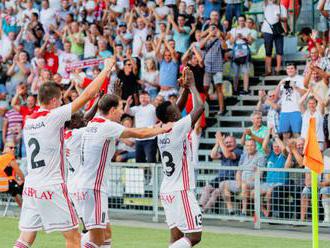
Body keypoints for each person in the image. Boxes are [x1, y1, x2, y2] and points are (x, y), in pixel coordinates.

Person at [13, 58, 117, 248]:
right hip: (52, 186)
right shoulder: (54, 116)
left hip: (31, 186)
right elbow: (87, 95)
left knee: (25, 237)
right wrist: (107, 69)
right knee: (74, 238)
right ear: (53, 101)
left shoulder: (29, 120)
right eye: (60, 99)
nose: (62, 102)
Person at [75, 92, 172, 248]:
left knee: (106, 235)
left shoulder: (93, 123)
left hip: (86, 186)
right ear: (112, 110)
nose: (123, 112)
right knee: (96, 239)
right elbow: (138, 133)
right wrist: (162, 129)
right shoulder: (107, 126)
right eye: (120, 108)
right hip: (94, 188)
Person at [156, 68, 204, 247]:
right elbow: (200, 107)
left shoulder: (161, 128)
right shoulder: (177, 128)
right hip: (180, 189)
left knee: (176, 237)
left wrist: (183, 88)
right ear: (172, 116)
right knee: (194, 236)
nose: (178, 109)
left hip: (167, 189)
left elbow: (177, 109)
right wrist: (192, 87)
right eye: (174, 109)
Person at [199, 132, 242, 213]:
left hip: (231, 179)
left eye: (230, 142)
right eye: (227, 142)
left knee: (215, 193)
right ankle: (200, 206)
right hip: (220, 178)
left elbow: (228, 155)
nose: (228, 144)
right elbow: (212, 155)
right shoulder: (224, 150)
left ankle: (203, 211)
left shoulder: (238, 151)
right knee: (207, 188)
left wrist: (221, 142)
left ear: (235, 143)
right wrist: (218, 143)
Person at [261, 0, 287, 76]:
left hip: (278, 29)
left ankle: (278, 69)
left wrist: (280, 18)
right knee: (268, 51)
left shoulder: (281, 7)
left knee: (279, 50)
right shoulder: (266, 5)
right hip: (267, 30)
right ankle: (268, 70)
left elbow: (285, 19)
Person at [0, 141, 25, 208]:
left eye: (15, 148)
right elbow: (19, 172)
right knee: (26, 190)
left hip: (3, 184)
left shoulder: (1, 157)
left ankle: (21, 207)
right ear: (5, 148)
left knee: (15, 192)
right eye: (11, 148)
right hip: (6, 184)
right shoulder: (9, 157)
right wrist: (24, 180)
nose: (13, 149)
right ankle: (26, 209)